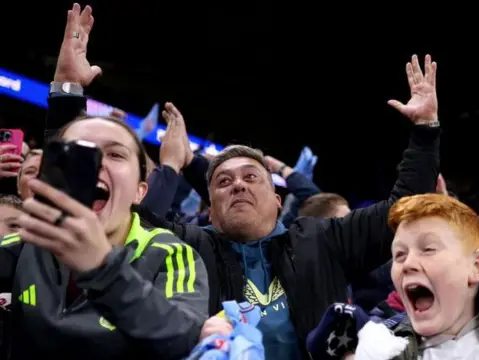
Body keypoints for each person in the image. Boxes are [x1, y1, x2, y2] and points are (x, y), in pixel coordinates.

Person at [141, 54, 441, 359]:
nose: (238, 185)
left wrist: (425, 131)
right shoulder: (191, 246)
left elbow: (402, 209)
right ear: (212, 209)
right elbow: (135, 227)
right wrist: (170, 166)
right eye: (223, 182)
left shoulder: (321, 240)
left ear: (277, 201)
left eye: (251, 176)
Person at [0, 109, 210, 357]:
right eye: (78, 150)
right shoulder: (27, 243)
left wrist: (103, 269)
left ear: (139, 192)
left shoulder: (171, 253)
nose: (95, 162)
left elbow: (184, 339)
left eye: (115, 153)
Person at [307, 194, 479, 360]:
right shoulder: (379, 347)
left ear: (477, 267)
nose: (408, 264)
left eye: (428, 249)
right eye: (399, 255)